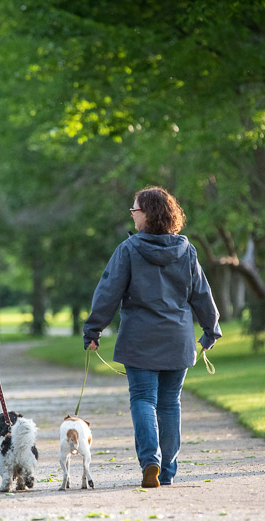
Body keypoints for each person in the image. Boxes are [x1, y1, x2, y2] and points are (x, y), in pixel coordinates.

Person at [83, 186, 221, 489]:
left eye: (135, 209)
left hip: (139, 338)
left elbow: (108, 292)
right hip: (178, 338)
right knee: (170, 403)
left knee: (144, 399)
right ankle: (167, 471)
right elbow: (202, 294)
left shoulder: (129, 250)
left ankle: (151, 461)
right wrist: (211, 330)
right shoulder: (187, 251)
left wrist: (93, 328)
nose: (131, 214)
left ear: (148, 214)